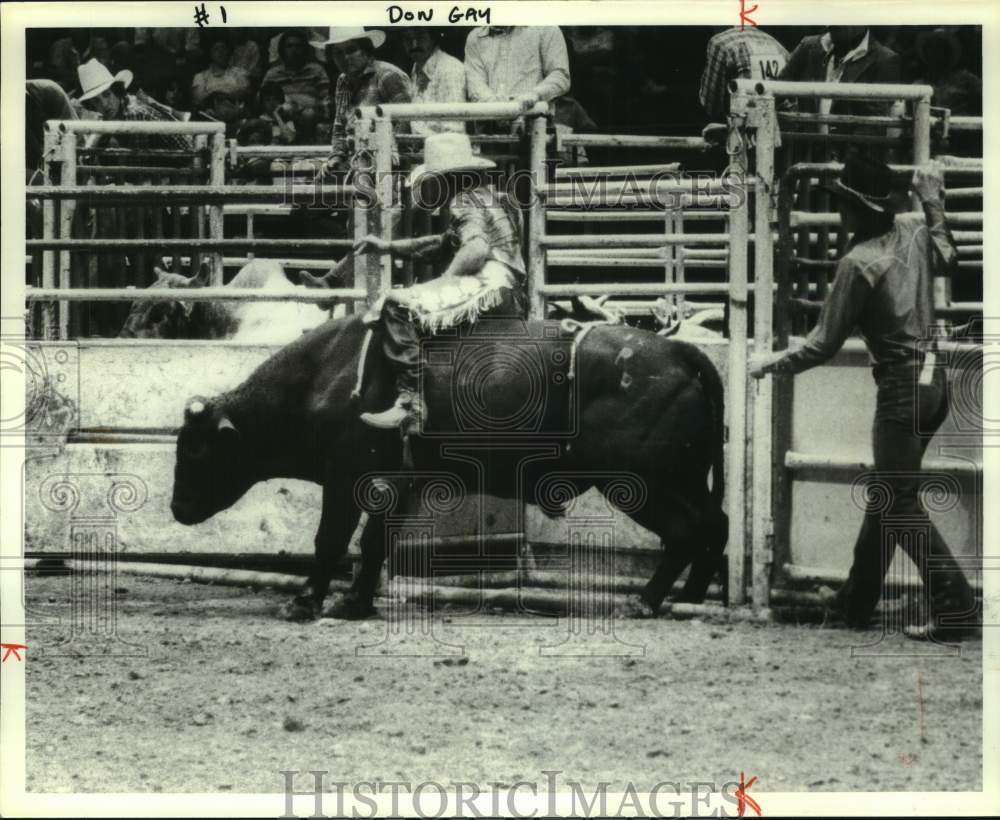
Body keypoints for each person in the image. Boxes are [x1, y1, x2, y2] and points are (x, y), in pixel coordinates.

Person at [750, 152, 978, 642]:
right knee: (888, 493)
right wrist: (935, 204)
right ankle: (856, 600)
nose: (840, 214)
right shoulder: (915, 231)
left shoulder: (857, 263)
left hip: (900, 386)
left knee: (896, 501)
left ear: (856, 211)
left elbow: (822, 344)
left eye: (844, 206)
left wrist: (769, 363)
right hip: (935, 382)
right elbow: (950, 258)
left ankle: (955, 602)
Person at [352, 132, 528, 431]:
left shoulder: (462, 201)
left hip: (490, 282)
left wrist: (446, 281)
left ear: (443, 178)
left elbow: (475, 248)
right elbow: (444, 244)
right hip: (511, 287)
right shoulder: (492, 198)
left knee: (395, 304)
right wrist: (387, 246)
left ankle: (411, 403)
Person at [314, 27, 411, 177]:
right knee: (318, 181)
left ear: (366, 51)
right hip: (357, 160)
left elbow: (405, 125)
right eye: (338, 53)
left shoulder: (387, 75)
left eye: (351, 50)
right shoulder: (343, 80)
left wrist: (385, 158)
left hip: (390, 163)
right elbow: (339, 127)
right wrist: (335, 158)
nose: (345, 58)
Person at [75, 58, 192, 151]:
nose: (104, 104)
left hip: (186, 168)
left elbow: (138, 164)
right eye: (96, 101)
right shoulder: (122, 107)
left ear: (117, 91)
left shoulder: (134, 113)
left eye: (106, 94)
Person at [464, 26, 570, 114]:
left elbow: (560, 75)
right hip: (489, 127)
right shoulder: (475, 37)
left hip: (535, 125)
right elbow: (475, 83)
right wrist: (497, 108)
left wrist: (535, 95)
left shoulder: (547, 28)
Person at [699, 25, 790, 119]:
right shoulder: (778, 46)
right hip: (777, 125)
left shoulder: (720, 42)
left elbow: (712, 106)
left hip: (742, 125)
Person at [260, 29, 331, 143]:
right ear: (282, 50)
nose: (294, 50)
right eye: (289, 46)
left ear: (305, 49)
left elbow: (325, 99)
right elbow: (263, 99)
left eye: (299, 46)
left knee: (309, 114)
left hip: (309, 117)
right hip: (280, 115)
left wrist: (303, 105)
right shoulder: (273, 73)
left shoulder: (316, 70)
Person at [401, 27, 466, 136]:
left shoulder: (449, 68)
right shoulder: (416, 67)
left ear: (434, 38)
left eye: (420, 37)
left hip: (443, 149)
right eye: (407, 39)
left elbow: (454, 129)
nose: (414, 45)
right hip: (420, 148)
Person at [191, 36, 252, 108]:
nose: (220, 52)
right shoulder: (200, 77)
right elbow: (199, 101)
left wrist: (217, 95)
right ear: (210, 53)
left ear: (228, 52)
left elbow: (245, 94)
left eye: (224, 48)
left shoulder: (240, 73)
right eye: (216, 49)